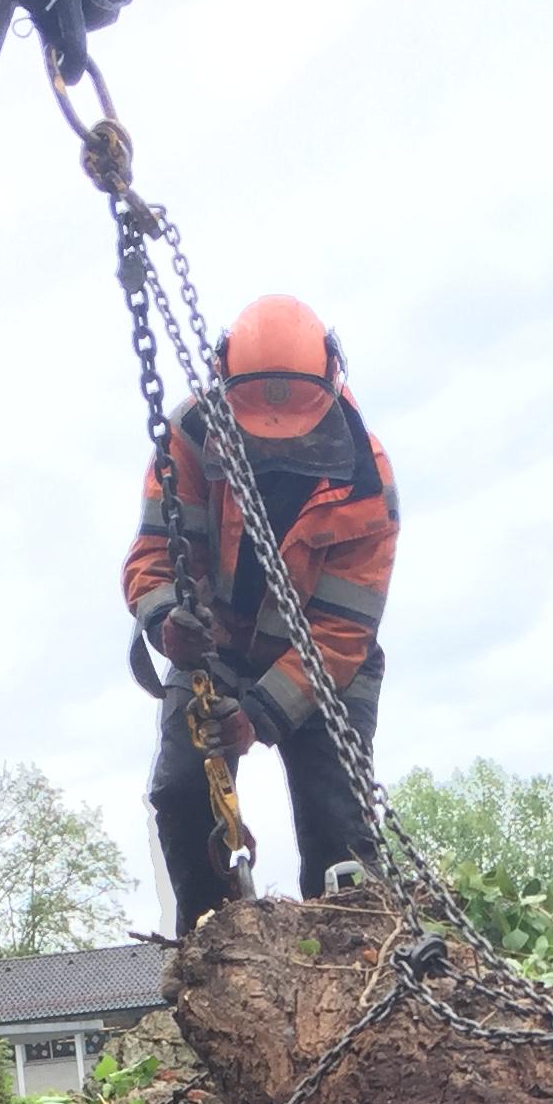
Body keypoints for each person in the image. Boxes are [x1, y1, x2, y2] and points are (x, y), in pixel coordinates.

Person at [124, 294, 399, 928]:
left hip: (328, 662)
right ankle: (214, 946)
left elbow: (342, 629)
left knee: (340, 823)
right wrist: (169, 622)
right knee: (184, 793)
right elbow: (155, 554)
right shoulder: (190, 439)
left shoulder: (366, 483)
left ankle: (352, 954)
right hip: (216, 645)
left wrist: (260, 712)